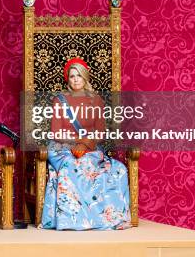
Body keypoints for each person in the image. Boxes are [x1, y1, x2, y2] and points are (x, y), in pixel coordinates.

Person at [41, 58, 131, 230]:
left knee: (118, 169)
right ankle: (74, 221)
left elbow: (101, 132)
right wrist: (79, 142)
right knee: (76, 166)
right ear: (67, 78)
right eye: (72, 76)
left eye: (79, 76)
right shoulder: (60, 100)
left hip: (90, 148)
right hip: (62, 149)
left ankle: (111, 218)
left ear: (85, 77)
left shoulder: (95, 100)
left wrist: (85, 144)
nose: (75, 79)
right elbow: (56, 133)